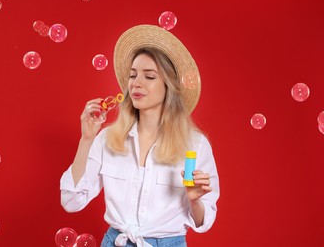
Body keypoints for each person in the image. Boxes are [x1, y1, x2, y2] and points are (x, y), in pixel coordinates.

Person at [60, 24, 220, 247]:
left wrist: (195, 201)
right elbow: (71, 201)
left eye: (150, 76)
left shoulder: (195, 144)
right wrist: (86, 139)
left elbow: (204, 221)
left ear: (169, 86)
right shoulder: (107, 138)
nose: (136, 83)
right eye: (133, 75)